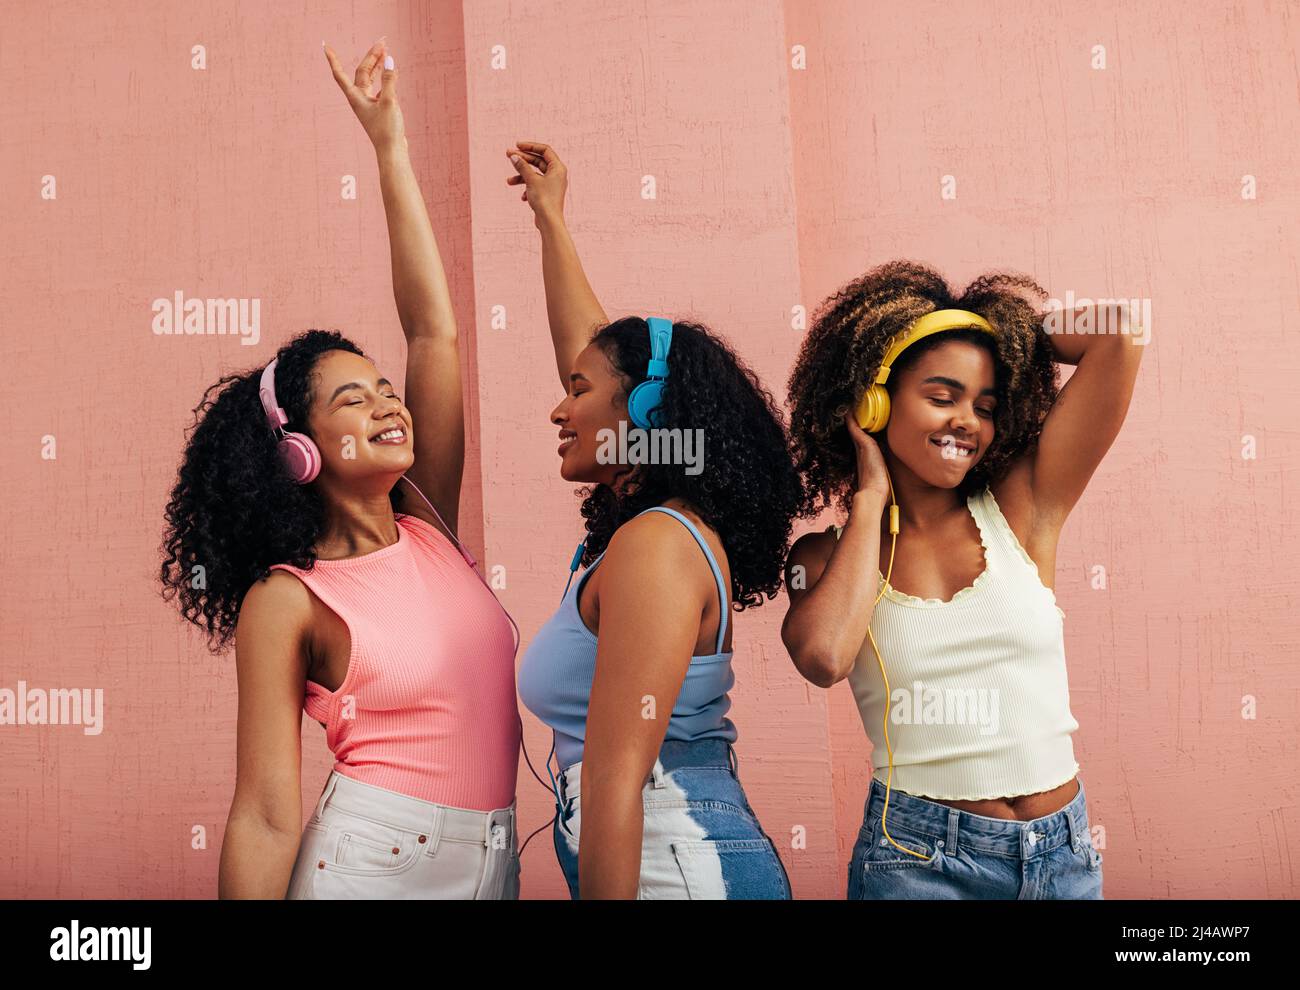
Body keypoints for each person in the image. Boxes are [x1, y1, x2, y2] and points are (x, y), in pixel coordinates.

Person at [159, 41, 521, 899]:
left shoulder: (427, 524)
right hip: (367, 864)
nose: (389, 404)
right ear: (298, 452)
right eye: (354, 400)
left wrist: (389, 147)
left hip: (496, 862)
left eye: (385, 387)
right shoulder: (288, 600)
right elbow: (265, 814)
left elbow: (434, 331)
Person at [781, 260, 1144, 899]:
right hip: (919, 863)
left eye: (985, 404)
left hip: (1062, 856)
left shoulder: (1022, 509)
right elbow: (823, 655)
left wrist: (1002, 334)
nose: (967, 422)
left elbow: (1120, 333)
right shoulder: (822, 557)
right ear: (875, 401)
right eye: (942, 397)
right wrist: (870, 494)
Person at [506, 142, 803, 899]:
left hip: (677, 862)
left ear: (643, 414)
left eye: (576, 390)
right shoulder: (649, 528)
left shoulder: (656, 547)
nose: (558, 407)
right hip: (675, 853)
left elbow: (614, 783)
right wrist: (551, 220)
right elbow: (606, 362)